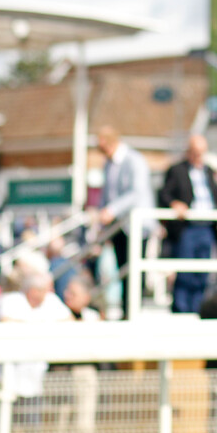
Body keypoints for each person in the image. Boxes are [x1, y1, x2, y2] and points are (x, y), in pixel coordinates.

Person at [0, 268, 72, 433]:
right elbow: (5, 323)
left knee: (32, 428)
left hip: (35, 378)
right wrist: (43, 328)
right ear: (30, 290)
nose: (45, 294)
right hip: (7, 378)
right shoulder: (10, 301)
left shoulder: (51, 302)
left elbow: (69, 321)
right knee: (7, 428)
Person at [158, 135, 217, 313]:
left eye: (202, 153)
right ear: (189, 152)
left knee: (203, 272)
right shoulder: (177, 170)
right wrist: (174, 204)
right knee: (185, 271)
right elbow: (164, 193)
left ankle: (197, 308)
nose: (199, 157)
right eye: (196, 153)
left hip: (207, 228)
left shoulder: (207, 171)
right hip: (188, 228)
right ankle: (182, 309)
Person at [97, 126, 156, 319]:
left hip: (137, 226)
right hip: (119, 226)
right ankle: (126, 311)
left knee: (135, 272)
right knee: (123, 269)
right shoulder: (108, 164)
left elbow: (137, 192)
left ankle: (134, 312)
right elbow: (107, 194)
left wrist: (111, 209)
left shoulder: (134, 160)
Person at [55, 274, 100, 433]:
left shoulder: (93, 317)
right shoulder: (57, 315)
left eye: (73, 293)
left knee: (84, 424)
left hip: (85, 373)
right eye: (67, 292)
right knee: (62, 425)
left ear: (86, 296)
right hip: (62, 374)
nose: (67, 296)